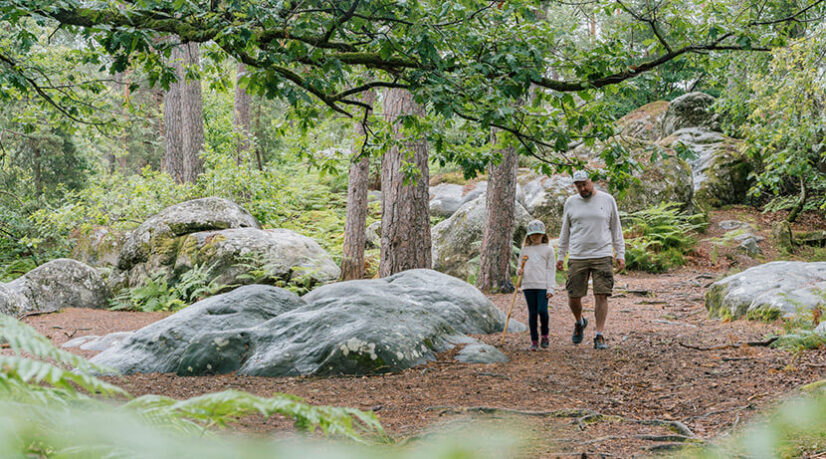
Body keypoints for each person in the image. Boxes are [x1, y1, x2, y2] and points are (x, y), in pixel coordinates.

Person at [556, 170, 625, 350]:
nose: (582, 188)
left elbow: (615, 227)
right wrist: (560, 255)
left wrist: (620, 253)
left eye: (584, 184)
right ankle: (579, 322)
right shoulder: (571, 202)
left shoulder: (607, 200)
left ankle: (599, 335)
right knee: (574, 295)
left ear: (591, 181)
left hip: (602, 254)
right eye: (578, 186)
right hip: (578, 255)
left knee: (601, 294)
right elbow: (565, 231)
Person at [517, 219, 556, 351]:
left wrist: (551, 287)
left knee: (542, 311)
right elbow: (519, 267)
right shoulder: (525, 250)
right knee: (532, 313)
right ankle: (534, 340)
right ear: (529, 236)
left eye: (538, 234)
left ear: (543, 235)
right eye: (533, 234)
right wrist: (519, 271)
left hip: (542, 286)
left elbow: (551, 270)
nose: (535, 237)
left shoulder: (548, 250)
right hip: (528, 285)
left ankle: (545, 335)